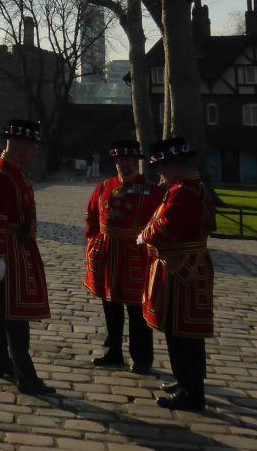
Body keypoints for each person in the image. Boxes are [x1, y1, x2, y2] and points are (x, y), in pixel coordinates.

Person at [0, 119, 54, 396]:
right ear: (20, 146)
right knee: (15, 315)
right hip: (7, 249)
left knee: (2, 308)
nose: (34, 152)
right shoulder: (1, 174)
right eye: (32, 146)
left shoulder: (15, 171)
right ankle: (26, 376)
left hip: (16, 245)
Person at [138, 136, 215, 411]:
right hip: (185, 266)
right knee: (177, 329)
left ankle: (192, 392)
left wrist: (144, 235)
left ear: (175, 166)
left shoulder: (185, 191)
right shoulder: (187, 187)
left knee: (183, 332)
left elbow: (167, 227)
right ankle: (184, 381)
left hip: (183, 269)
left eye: (162, 168)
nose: (159, 174)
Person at [84, 140, 163, 374]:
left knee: (137, 309)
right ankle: (114, 351)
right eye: (120, 161)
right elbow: (91, 215)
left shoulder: (152, 191)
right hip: (108, 254)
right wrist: (92, 241)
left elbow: (158, 223)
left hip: (135, 255)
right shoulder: (104, 187)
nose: (124, 165)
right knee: (110, 305)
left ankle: (142, 357)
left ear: (136, 162)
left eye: (129, 161)